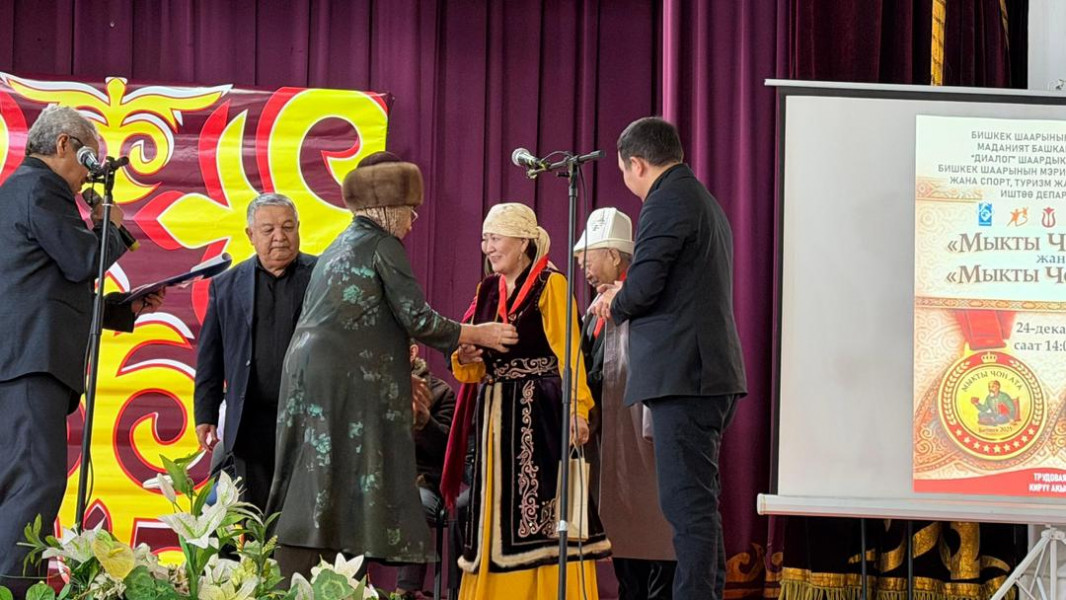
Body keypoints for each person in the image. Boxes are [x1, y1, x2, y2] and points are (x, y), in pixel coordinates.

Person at [266, 152, 517, 576]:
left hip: (311, 370)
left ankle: (311, 573)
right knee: (335, 474)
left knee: (317, 474)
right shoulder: (383, 244)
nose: (413, 220)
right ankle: (312, 575)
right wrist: (480, 333)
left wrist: (453, 346)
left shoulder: (342, 242)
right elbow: (416, 318)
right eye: (409, 210)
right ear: (387, 208)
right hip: (341, 376)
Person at [0, 105, 163, 593]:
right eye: (89, 158)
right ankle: (14, 589)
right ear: (65, 145)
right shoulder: (41, 187)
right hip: (31, 361)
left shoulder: (18, 190)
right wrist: (111, 225)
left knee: (18, 480)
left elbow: (41, 289)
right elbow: (80, 260)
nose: (88, 176)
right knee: (36, 481)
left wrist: (118, 310)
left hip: (19, 356)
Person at [591, 117, 747, 600]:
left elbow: (643, 287)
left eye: (623, 171)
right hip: (704, 374)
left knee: (687, 509)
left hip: (686, 377)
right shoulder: (698, 198)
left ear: (637, 163)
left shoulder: (666, 201)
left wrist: (613, 300)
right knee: (697, 506)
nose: (627, 180)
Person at [451, 202, 611, 600]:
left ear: (523, 241)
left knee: (541, 511)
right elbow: (470, 355)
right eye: (485, 239)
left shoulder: (550, 284)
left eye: (496, 238)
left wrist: (577, 409)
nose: (488, 247)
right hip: (495, 415)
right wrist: (466, 356)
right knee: (495, 511)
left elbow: (569, 352)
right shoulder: (487, 289)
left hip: (538, 413)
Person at [574, 207, 676, 600]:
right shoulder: (593, 313)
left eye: (589, 256)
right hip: (610, 446)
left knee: (657, 541)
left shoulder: (647, 301)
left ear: (615, 256)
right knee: (623, 541)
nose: (583, 266)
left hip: (644, 443)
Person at [193, 193, 317, 512]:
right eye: (268, 229)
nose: (280, 236)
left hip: (308, 419)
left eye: (288, 227)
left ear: (298, 228)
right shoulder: (226, 285)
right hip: (251, 421)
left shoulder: (322, 276)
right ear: (250, 235)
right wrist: (205, 414)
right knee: (255, 515)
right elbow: (210, 356)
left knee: (302, 513)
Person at [395, 343, 457, 600]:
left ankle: (405, 591)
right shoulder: (374, 388)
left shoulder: (440, 392)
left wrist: (423, 420)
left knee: (414, 503)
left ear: (412, 352)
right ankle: (351, 587)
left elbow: (445, 451)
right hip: (379, 481)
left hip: (423, 482)